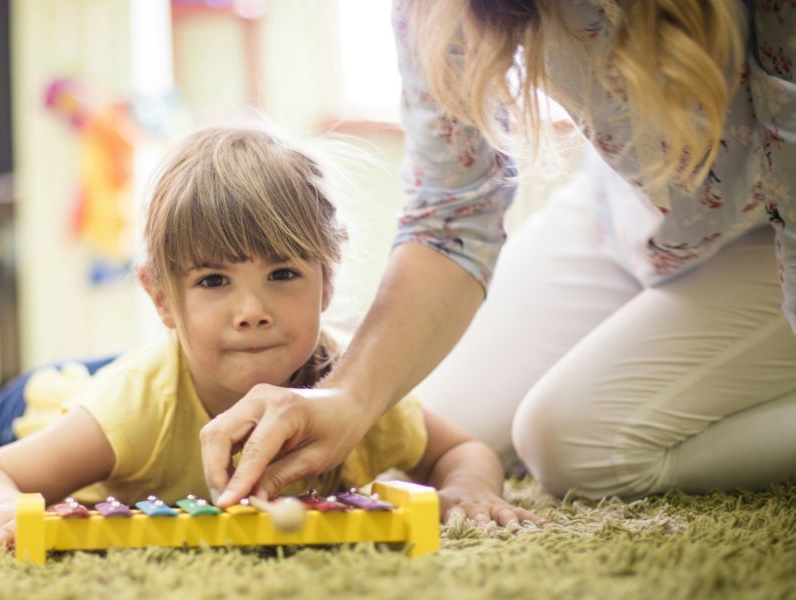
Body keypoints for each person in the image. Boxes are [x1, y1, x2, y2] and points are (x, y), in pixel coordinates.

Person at [201, 0, 796, 508]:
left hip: (770, 232)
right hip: (627, 214)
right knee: (439, 417)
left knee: (572, 444)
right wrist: (348, 397)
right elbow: (451, 214)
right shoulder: (440, 10)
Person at [0, 126, 539, 553]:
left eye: (283, 274)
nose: (252, 311)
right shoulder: (137, 410)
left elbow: (461, 450)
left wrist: (469, 491)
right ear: (161, 298)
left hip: (157, 368)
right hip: (50, 402)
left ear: (328, 281)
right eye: (214, 281)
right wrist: (0, 517)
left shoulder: (356, 381)